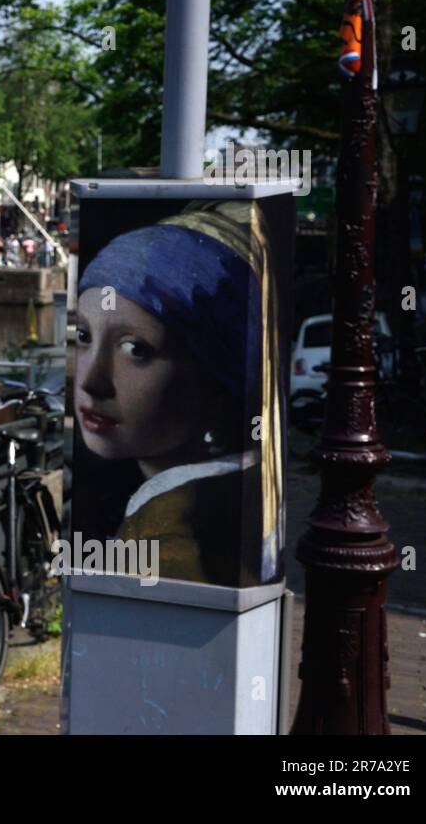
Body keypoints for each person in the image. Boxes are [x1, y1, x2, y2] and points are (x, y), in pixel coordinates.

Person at [74, 201, 283, 587]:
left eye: (135, 349)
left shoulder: (171, 543)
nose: (91, 380)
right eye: (84, 336)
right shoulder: (246, 494)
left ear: (219, 374)